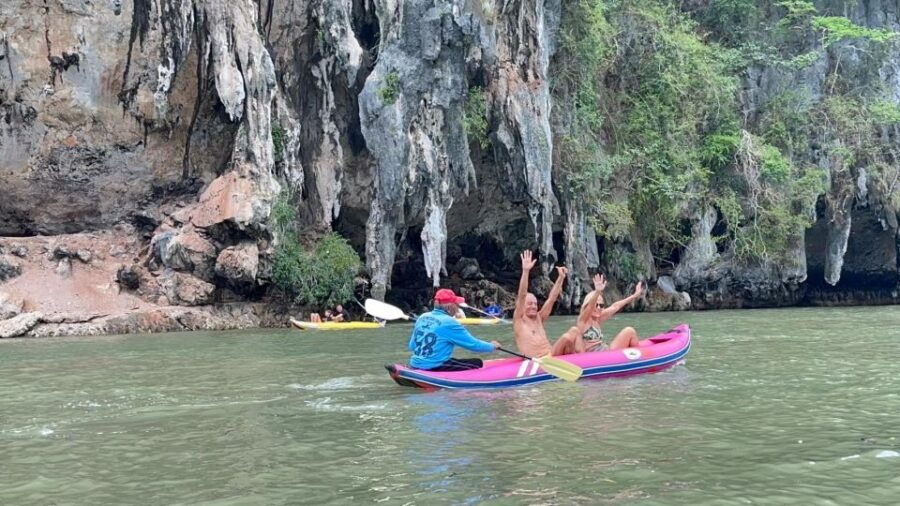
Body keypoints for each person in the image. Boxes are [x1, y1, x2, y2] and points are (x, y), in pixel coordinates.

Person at [512, 250, 603, 357]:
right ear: (522, 306)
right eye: (530, 304)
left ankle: (583, 359)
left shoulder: (539, 319)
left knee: (574, 330)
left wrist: (561, 278)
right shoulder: (519, 320)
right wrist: (526, 271)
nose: (533, 306)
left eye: (535, 304)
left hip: (551, 355)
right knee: (566, 337)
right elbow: (522, 294)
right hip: (540, 359)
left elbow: (552, 298)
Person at [408, 288, 502, 371]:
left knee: (453, 360)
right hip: (434, 366)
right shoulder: (449, 322)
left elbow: (412, 346)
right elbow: (473, 345)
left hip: (414, 363)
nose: (458, 307)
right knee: (477, 363)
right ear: (449, 306)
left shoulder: (422, 317)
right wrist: (492, 346)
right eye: (456, 304)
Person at [578, 277, 645, 351]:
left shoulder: (598, 319)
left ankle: (637, 357)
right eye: (596, 305)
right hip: (595, 357)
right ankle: (640, 356)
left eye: (601, 305)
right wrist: (597, 292)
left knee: (629, 332)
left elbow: (615, 306)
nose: (599, 308)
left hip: (605, 351)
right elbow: (590, 306)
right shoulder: (583, 320)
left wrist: (634, 295)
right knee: (629, 331)